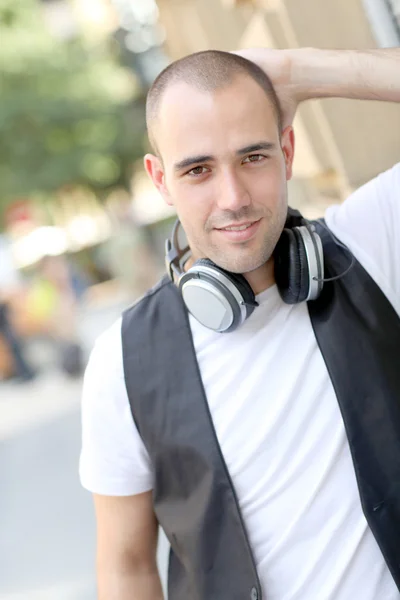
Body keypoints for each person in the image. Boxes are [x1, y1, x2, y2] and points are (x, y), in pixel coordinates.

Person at [79, 47, 400, 600]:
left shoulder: (372, 243)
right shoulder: (122, 362)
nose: (233, 198)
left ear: (288, 150)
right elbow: (126, 564)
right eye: (198, 169)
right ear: (160, 180)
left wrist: (301, 73)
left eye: (253, 156)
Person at [0, 234, 36, 382]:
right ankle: (18, 371)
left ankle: (24, 371)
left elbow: (8, 274)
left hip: (6, 296)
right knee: (10, 337)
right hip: (6, 294)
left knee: (12, 337)